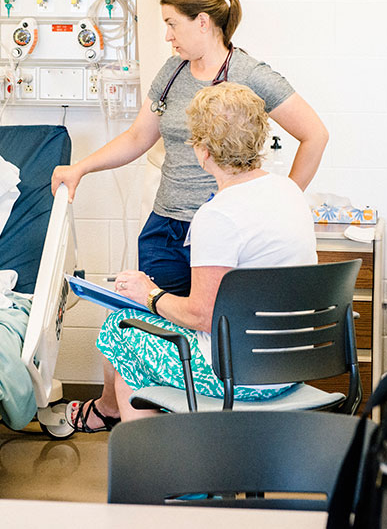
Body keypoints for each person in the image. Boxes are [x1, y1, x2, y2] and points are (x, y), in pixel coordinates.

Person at [51, 0, 327, 432]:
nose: (167, 35)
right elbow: (141, 137)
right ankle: (154, 431)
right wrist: (82, 167)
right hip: (168, 228)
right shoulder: (172, 72)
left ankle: (174, 453)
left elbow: (315, 134)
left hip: (225, 234)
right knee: (150, 330)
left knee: (182, 329)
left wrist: (279, 197)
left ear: (204, 23)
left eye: (172, 24)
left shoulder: (252, 75)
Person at [96, 83, 318, 421]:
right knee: (138, 332)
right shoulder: (289, 191)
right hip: (292, 365)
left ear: (202, 151)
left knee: (121, 327)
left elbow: (201, 315)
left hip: (240, 376)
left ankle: (148, 461)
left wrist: (149, 294)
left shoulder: (218, 215)